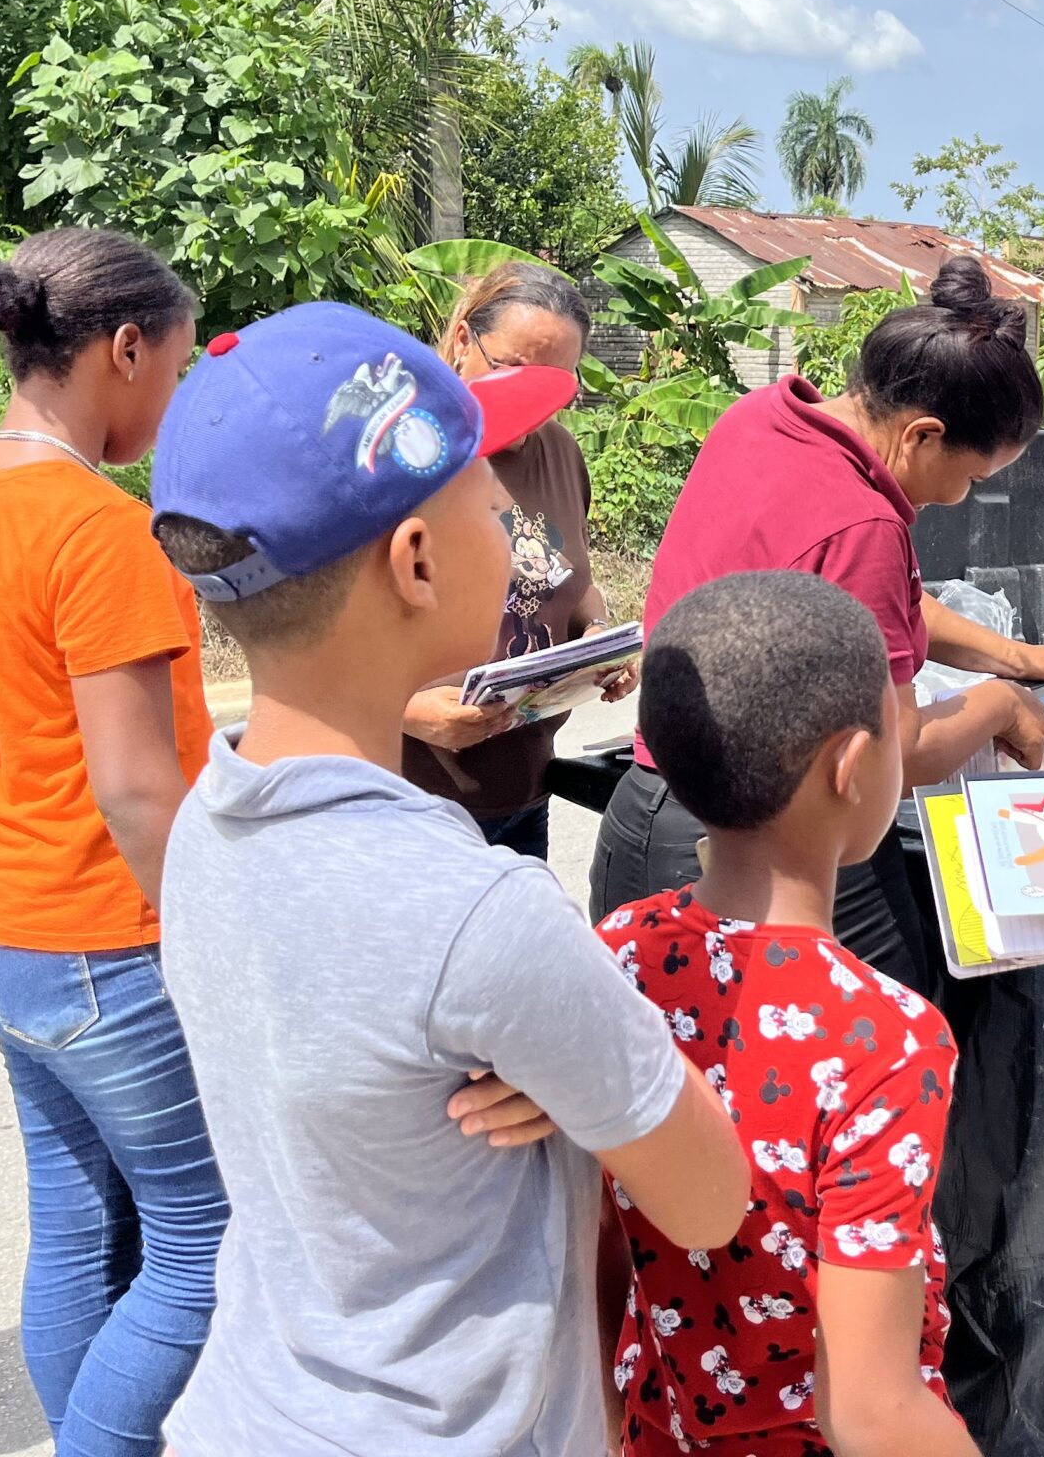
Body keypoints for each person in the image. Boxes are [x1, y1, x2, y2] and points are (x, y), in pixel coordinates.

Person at [145, 301, 747, 1456]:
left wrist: (554, 1072)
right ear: (414, 562)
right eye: (492, 502)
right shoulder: (477, 913)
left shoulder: (206, 823)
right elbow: (708, 1195)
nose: (514, 526)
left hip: (260, 1408)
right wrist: (581, 1084)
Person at [0, 230, 228, 1457]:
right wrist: (218, 942)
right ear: (124, 348)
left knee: (81, 1218)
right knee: (207, 1238)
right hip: (96, 940)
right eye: (176, 370)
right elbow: (140, 793)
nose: (174, 396)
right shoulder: (100, 533)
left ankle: (87, 1431)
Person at [591, 255, 1044, 995]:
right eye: (974, 479)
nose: (961, 499)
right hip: (763, 851)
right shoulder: (866, 525)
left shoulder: (764, 419)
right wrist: (1000, 706)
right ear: (921, 435)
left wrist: (1008, 656)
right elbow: (903, 752)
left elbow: (858, 598)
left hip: (646, 812)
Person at [600, 570, 978, 1457]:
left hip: (657, 1425)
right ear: (852, 766)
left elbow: (599, 1246)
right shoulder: (885, 1040)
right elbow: (872, 1411)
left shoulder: (615, 954)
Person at [403, 260, 633, 859]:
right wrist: (406, 713)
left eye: (557, 383)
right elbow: (314, 631)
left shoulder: (559, 452)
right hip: (410, 800)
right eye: (511, 368)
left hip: (523, 792)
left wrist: (599, 640)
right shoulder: (405, 448)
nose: (533, 397)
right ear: (462, 341)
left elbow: (569, 577)